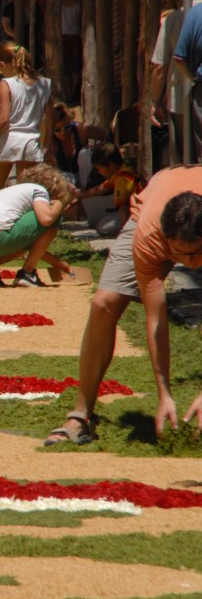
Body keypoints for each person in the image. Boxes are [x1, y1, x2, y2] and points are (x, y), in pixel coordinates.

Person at [45, 166, 202, 445]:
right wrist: (164, 393)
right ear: (165, 242)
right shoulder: (150, 235)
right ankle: (82, 416)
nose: (190, 264)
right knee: (103, 303)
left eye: (197, 254)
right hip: (152, 210)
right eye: (181, 255)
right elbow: (156, 318)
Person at [0, 164, 73, 288]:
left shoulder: (13, 192)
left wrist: (59, 264)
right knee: (55, 217)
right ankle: (27, 273)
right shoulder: (39, 190)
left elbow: (32, 245)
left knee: (27, 239)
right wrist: (59, 204)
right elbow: (47, 219)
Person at [0, 41, 54, 196]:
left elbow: (4, 119)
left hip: (8, 141)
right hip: (31, 142)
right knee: (25, 195)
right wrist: (48, 144)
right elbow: (50, 119)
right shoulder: (44, 84)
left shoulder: (7, 84)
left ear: (3, 64)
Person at [154, 0, 202, 167]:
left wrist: (155, 100)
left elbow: (166, 63)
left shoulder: (180, 18)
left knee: (185, 160)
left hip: (181, 98)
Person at [76, 143, 146, 237]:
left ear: (111, 165)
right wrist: (79, 196)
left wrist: (124, 234)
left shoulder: (123, 178)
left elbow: (124, 208)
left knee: (103, 227)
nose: (99, 172)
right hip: (136, 213)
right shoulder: (122, 171)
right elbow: (102, 188)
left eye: (99, 168)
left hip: (137, 216)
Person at [50, 102, 108, 183]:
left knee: (85, 154)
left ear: (70, 121)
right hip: (67, 180)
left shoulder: (81, 129)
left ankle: (85, 190)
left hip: (86, 176)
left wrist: (97, 150)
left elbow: (107, 136)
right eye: (57, 130)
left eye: (67, 127)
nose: (63, 133)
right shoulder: (50, 140)